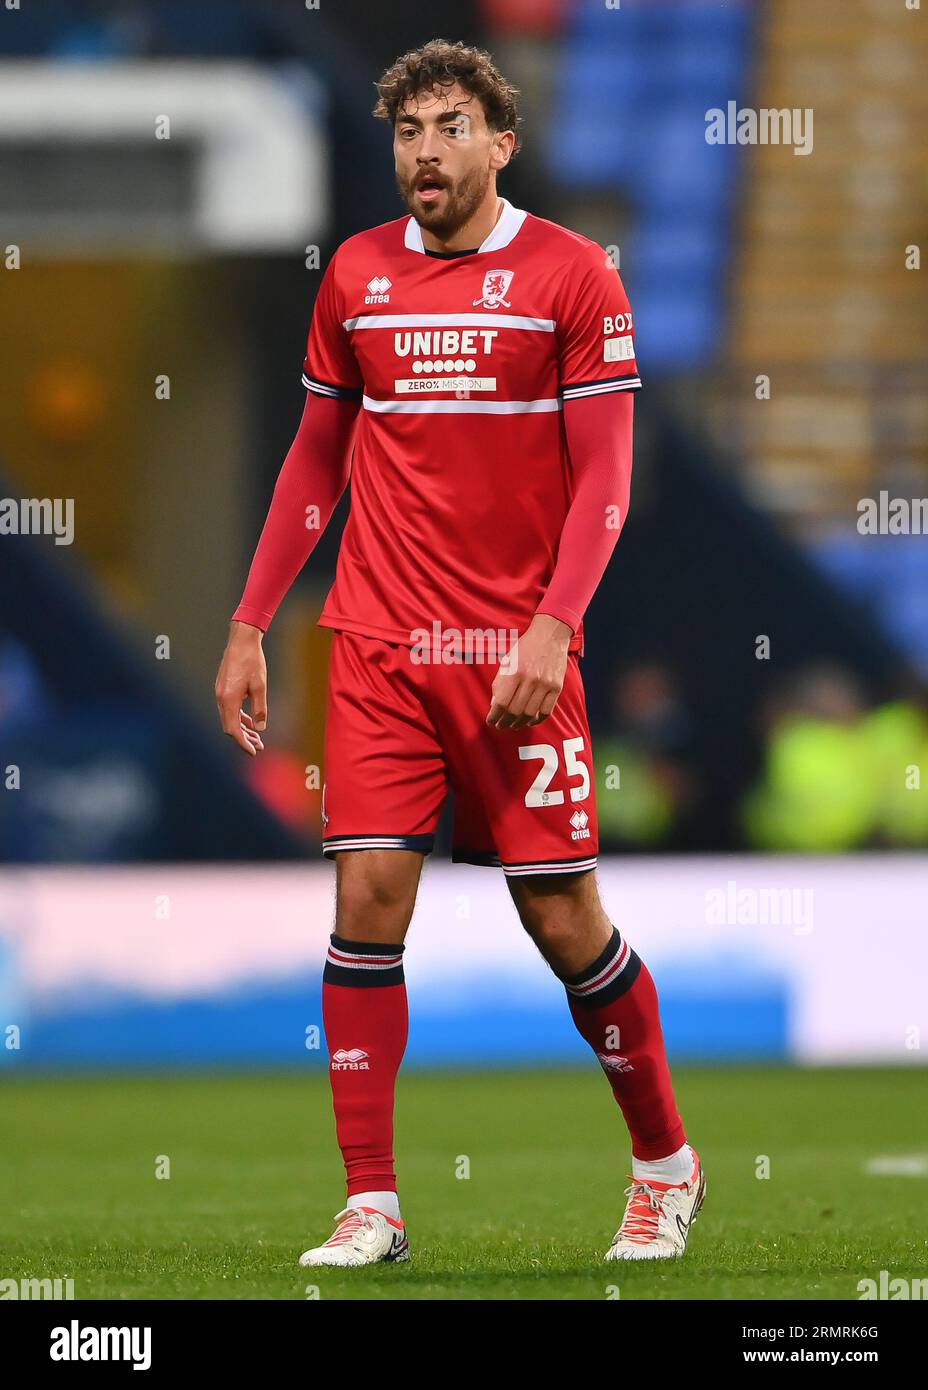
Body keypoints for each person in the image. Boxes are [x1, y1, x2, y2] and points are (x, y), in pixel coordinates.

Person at [215, 39, 704, 1267]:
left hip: (510, 652)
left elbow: (607, 474)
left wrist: (552, 623)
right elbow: (315, 462)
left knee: (561, 916)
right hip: (376, 640)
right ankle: (371, 1203)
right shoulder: (358, 278)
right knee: (366, 898)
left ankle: (664, 1162)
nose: (423, 152)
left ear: (501, 142)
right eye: (406, 132)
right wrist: (248, 621)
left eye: (447, 127)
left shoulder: (573, 275)